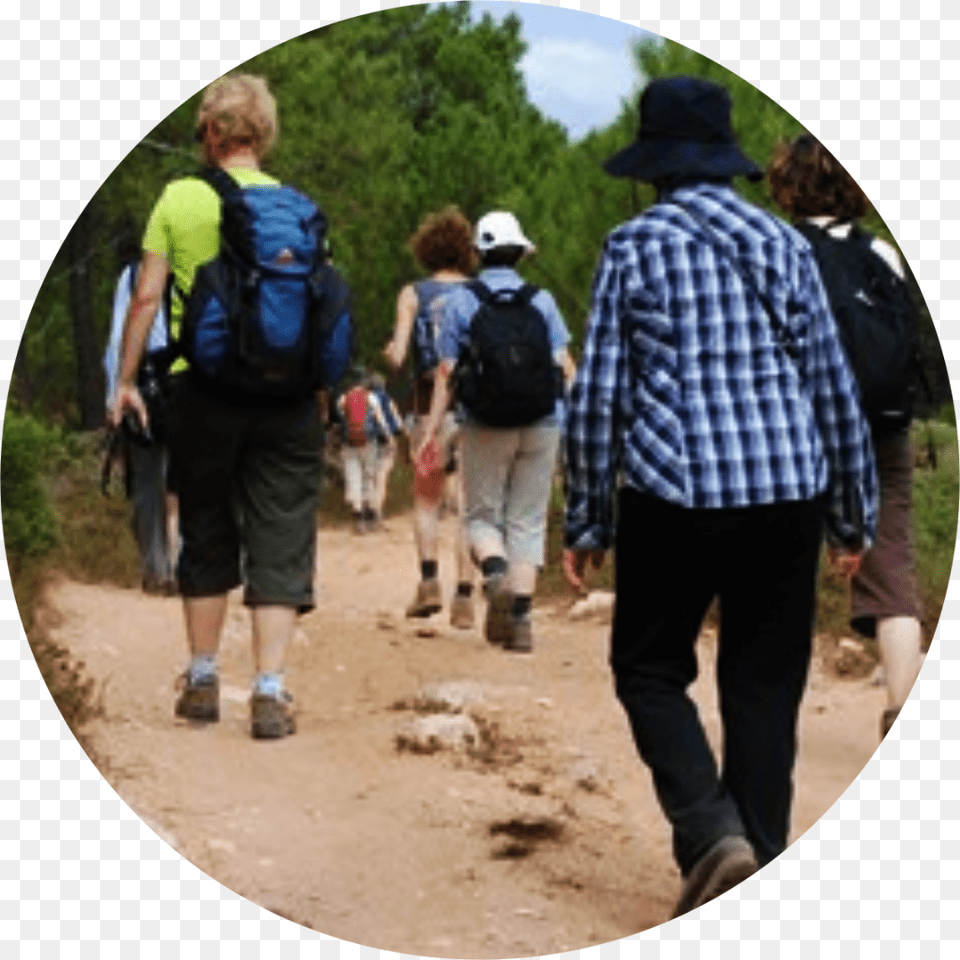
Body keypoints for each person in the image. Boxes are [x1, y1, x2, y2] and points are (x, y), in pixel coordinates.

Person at [563, 77, 878, 916]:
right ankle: (758, 876)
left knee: (649, 666)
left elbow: (600, 396)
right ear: (725, 160)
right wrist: (854, 514)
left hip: (678, 493)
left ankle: (710, 836)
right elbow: (831, 389)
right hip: (788, 494)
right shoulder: (786, 247)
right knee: (764, 688)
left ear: (656, 165)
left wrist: (588, 516)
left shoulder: (633, 247)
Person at [110, 73, 325, 740]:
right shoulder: (299, 207)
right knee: (281, 531)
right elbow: (313, 309)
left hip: (200, 391)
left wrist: (123, 381)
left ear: (209, 132)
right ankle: (268, 688)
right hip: (286, 395)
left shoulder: (178, 197)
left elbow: (146, 298)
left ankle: (203, 678)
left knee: (204, 523)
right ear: (263, 134)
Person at [768, 134, 925, 740]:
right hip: (883, 429)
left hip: (797, 432)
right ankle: (901, 710)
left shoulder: (778, 249)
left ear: (786, 185)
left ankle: (771, 715)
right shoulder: (883, 253)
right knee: (892, 570)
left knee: (781, 572)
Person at [415, 211, 575, 653]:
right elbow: (564, 364)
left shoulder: (461, 302)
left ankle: (495, 573)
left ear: (479, 253)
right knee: (527, 519)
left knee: (482, 516)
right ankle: (520, 622)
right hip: (542, 422)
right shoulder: (542, 301)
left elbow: (446, 373)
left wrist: (431, 432)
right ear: (521, 252)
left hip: (485, 424)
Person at [383, 207, 477, 629]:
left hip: (426, 406)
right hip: (474, 407)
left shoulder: (412, 293)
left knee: (427, 500)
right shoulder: (480, 293)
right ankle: (464, 597)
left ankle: (428, 582)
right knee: (467, 505)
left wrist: (391, 354)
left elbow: (398, 353)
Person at [103, 233, 178, 595]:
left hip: (145, 387)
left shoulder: (133, 277)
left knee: (148, 480)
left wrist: (115, 392)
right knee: (184, 480)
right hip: (190, 387)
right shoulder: (198, 271)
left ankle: (155, 569)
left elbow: (119, 339)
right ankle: (185, 566)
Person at [336, 371, 391, 534]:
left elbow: (338, 422)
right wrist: (387, 436)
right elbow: (380, 420)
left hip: (349, 444)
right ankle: (370, 516)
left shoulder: (343, 399)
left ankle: (358, 517)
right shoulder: (371, 397)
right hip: (369, 442)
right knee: (369, 476)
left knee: (353, 477)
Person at [367, 372, 404, 526]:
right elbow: (398, 422)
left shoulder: (365, 398)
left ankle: (366, 513)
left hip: (367, 440)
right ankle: (378, 512)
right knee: (382, 478)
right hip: (385, 440)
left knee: (370, 477)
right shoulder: (387, 399)